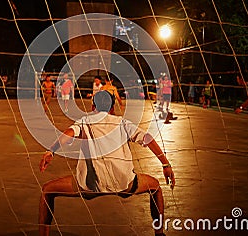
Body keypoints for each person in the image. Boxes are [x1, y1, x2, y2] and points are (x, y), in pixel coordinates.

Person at [39, 91, 175, 236]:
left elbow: (69, 133)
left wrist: (51, 151)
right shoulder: (123, 123)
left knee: (47, 191)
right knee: (155, 188)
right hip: (124, 183)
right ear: (112, 108)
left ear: (93, 107)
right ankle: (159, 233)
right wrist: (165, 165)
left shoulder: (85, 122)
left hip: (89, 185)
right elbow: (147, 138)